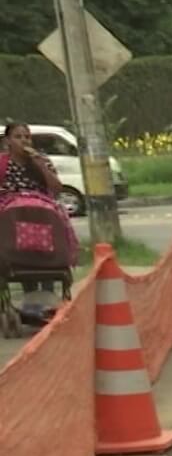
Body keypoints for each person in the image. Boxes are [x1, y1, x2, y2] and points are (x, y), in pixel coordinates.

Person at [1, 121, 73, 322]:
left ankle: (47, 301)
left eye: (27, 137)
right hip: (12, 210)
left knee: (46, 250)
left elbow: (57, 188)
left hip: (42, 212)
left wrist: (40, 165)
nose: (24, 140)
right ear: (8, 141)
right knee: (21, 251)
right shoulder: (2, 163)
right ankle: (30, 303)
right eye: (18, 137)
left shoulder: (41, 161)